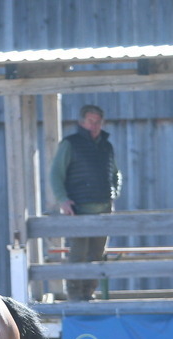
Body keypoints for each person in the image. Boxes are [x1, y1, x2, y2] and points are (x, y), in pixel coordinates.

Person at [49, 104, 122, 302]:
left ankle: (89, 293)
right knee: (78, 255)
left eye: (98, 122)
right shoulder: (70, 144)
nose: (95, 125)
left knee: (97, 255)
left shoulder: (107, 146)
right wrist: (63, 200)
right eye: (91, 121)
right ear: (82, 122)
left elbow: (115, 174)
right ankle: (75, 296)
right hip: (78, 210)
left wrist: (113, 193)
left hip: (103, 210)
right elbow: (56, 175)